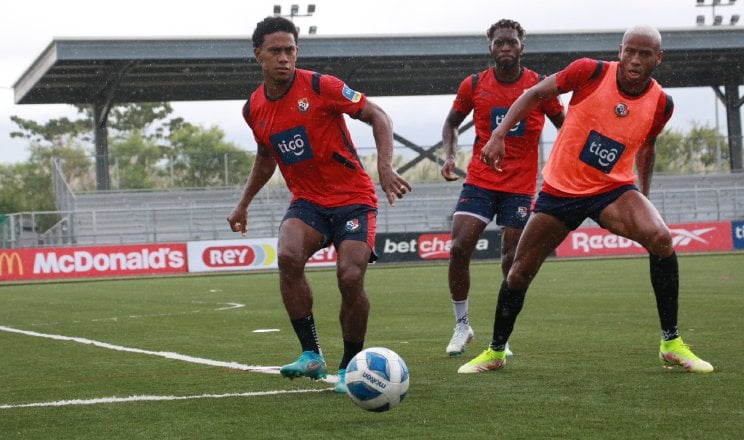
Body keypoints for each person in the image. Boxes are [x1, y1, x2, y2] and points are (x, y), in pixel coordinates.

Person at [459, 24, 714, 374]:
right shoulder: (589, 71)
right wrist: (499, 134)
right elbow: (535, 93)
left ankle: (671, 343)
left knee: (661, 238)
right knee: (519, 273)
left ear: (658, 58)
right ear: (619, 50)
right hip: (560, 191)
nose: (635, 60)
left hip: (612, 190)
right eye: (630, 51)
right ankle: (495, 351)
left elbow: (647, 147)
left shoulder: (662, 104)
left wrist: (644, 196)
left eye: (644, 54)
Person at [227, 16, 412, 393]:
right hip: (309, 202)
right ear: (257, 55)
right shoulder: (253, 109)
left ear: (298, 52)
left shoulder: (320, 86)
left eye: (290, 50)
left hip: (354, 199)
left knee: (350, 276)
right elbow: (267, 157)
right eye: (275, 51)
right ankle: (311, 354)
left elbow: (378, 115)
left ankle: (349, 367)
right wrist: (243, 203)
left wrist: (384, 164)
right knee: (288, 256)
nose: (284, 58)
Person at [441, 19, 564, 357]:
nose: (505, 48)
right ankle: (462, 325)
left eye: (511, 42)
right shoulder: (474, 84)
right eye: (499, 43)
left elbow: (564, 126)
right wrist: (450, 156)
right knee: (458, 248)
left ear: (522, 47)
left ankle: (502, 333)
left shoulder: (540, 85)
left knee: (511, 259)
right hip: (480, 179)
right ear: (490, 48)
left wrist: (563, 164)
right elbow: (452, 122)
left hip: (520, 186)